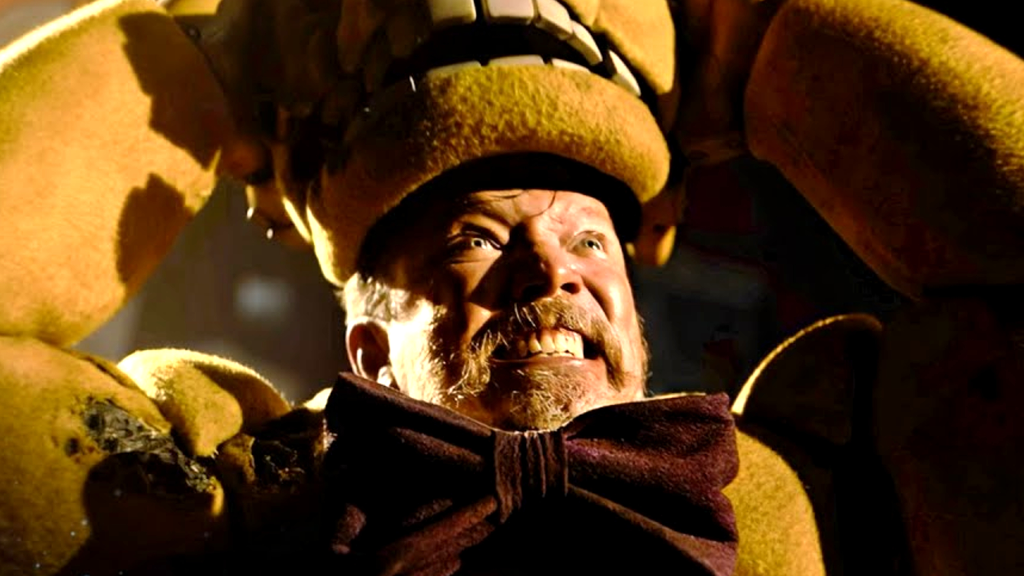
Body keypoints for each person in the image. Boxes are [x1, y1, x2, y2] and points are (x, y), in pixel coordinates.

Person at [1, 0, 1023, 575]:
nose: (553, 269)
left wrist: (780, 52)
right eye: (479, 240)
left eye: (589, 239)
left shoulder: (806, 505)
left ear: (635, 320)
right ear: (368, 353)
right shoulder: (255, 514)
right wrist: (190, 70)